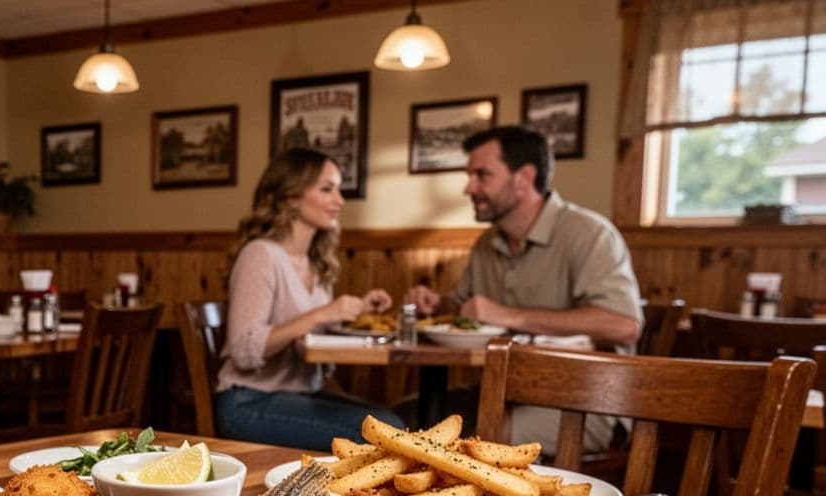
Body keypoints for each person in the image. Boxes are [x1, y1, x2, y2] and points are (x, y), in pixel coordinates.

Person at [404, 125, 643, 452]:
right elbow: (465, 308)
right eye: (469, 175)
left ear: (524, 177)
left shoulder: (589, 234)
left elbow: (623, 326)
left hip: (588, 402)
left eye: (482, 175)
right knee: (401, 419)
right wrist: (436, 304)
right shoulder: (488, 243)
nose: (468, 187)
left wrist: (507, 315)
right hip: (501, 392)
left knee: (468, 439)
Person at [214, 147, 406, 451]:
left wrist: (355, 314)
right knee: (386, 431)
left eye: (338, 189)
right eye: (327, 189)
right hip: (247, 401)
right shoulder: (260, 255)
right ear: (291, 197)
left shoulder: (315, 264)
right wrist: (323, 314)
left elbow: (314, 344)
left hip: (300, 395)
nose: (339, 201)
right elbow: (242, 348)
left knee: (393, 422)